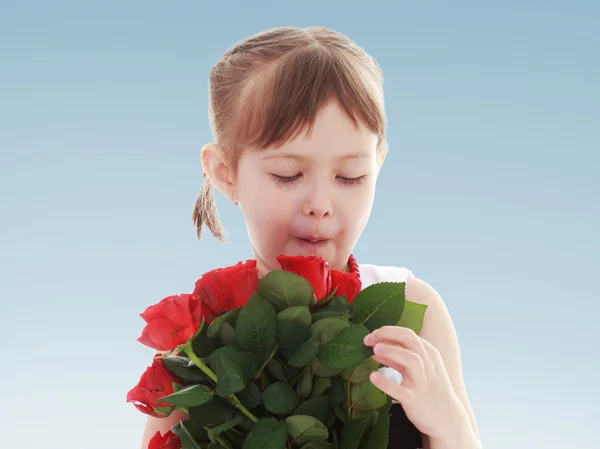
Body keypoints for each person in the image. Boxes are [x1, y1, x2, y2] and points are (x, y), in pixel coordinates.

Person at [140, 26, 481, 449]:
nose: (320, 203)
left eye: (350, 176)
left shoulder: (414, 308)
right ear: (225, 173)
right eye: (288, 175)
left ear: (378, 164)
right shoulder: (199, 337)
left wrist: (449, 425)